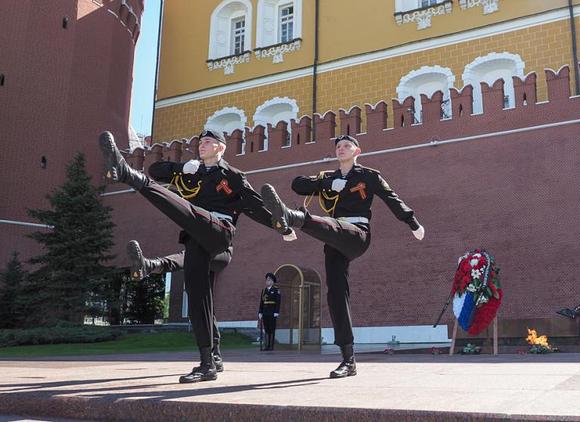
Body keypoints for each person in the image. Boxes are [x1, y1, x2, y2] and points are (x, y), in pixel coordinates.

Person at [98, 129, 294, 383]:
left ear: (221, 148)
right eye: (200, 142)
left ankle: (127, 174)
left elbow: (256, 207)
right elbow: (157, 170)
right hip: (195, 239)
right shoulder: (193, 172)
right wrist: (181, 168)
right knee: (198, 301)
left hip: (219, 232)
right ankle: (207, 363)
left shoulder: (232, 176)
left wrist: (281, 227)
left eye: (208, 142)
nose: (202, 145)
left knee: (188, 210)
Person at [260, 134, 424, 378]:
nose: (341, 149)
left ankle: (293, 217)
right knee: (336, 294)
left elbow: (391, 198)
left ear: (357, 151)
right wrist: (327, 184)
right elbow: (297, 184)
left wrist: (412, 222)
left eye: (347, 146)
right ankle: (348, 359)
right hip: (333, 238)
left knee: (333, 227)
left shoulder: (369, 176)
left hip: (357, 234)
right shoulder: (329, 177)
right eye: (338, 146)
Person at [126, 241, 232, 372]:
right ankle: (215, 356)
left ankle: (152, 265)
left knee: (190, 255)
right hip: (202, 252)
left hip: (221, 252)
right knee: (204, 305)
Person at [257, 272, 281, 351]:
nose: (267, 281)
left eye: (269, 280)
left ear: (272, 281)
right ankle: (266, 345)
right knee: (266, 328)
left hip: (272, 312)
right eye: (266, 280)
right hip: (265, 312)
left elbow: (278, 302)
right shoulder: (264, 290)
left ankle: (271, 346)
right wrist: (260, 312)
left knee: (271, 328)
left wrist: (276, 311)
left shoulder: (276, 290)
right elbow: (261, 302)